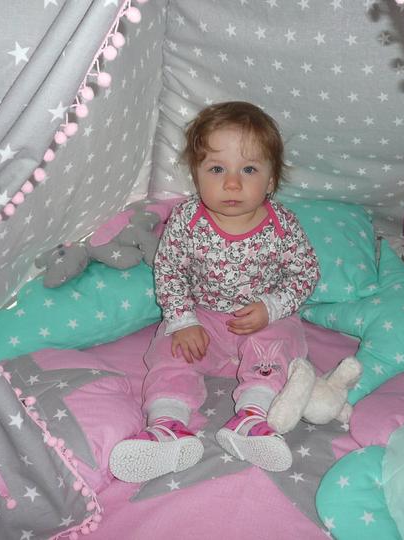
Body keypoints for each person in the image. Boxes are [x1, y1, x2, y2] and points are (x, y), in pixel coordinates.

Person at [109, 101, 320, 483]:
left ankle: (252, 417)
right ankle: (167, 425)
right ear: (197, 174)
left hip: (261, 319)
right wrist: (183, 320)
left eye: (249, 170)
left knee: (281, 341)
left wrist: (272, 307)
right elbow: (170, 271)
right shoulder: (187, 220)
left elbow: (305, 274)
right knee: (170, 352)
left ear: (271, 180)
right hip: (202, 319)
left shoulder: (283, 225)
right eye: (217, 169)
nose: (232, 184)